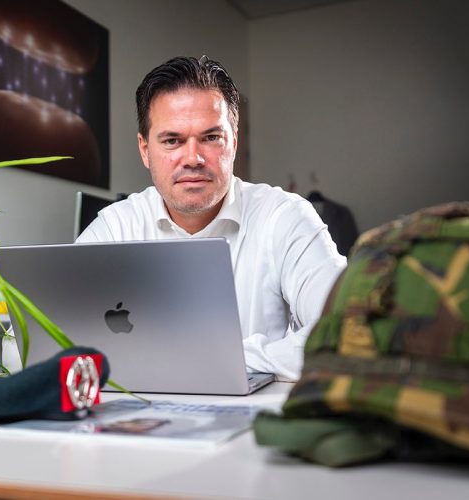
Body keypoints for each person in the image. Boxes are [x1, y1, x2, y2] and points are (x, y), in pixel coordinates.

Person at [76, 56, 346, 381]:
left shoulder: (285, 217)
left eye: (211, 137)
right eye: (172, 140)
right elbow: (52, 337)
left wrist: (218, 359)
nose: (193, 158)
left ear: (233, 140)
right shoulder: (116, 226)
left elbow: (345, 334)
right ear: (145, 149)